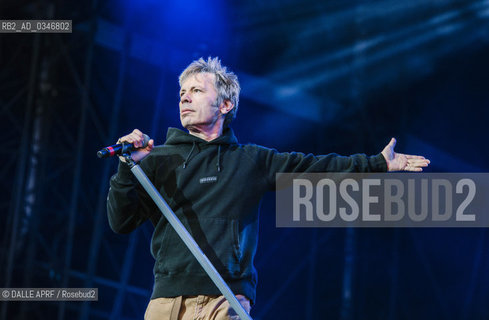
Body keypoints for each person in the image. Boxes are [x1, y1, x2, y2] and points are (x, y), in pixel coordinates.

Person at [106, 57, 430, 320]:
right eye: (182, 93)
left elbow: (315, 168)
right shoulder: (159, 160)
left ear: (225, 104)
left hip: (225, 299)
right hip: (166, 302)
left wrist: (375, 164)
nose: (185, 98)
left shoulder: (251, 161)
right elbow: (120, 222)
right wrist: (127, 167)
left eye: (196, 91)